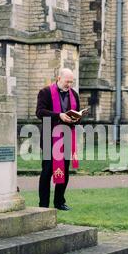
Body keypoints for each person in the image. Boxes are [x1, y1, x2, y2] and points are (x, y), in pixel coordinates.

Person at [36, 68, 81, 211]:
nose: (69, 85)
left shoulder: (74, 94)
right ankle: (43, 205)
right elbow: (39, 112)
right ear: (59, 78)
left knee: (64, 172)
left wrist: (76, 118)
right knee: (47, 172)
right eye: (67, 81)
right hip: (50, 138)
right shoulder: (45, 92)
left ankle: (59, 202)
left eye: (71, 82)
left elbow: (77, 114)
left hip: (67, 137)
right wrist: (59, 115)